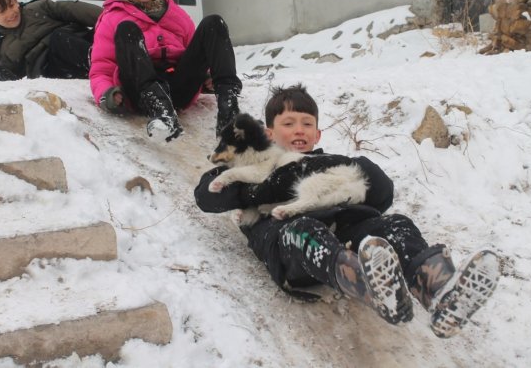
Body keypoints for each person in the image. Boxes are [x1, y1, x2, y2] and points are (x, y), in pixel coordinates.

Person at [194, 84, 500, 339]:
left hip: (346, 230)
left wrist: (351, 167)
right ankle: (370, 286)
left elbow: (381, 193)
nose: (299, 130)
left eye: (307, 123)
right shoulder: (253, 165)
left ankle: (440, 290)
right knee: (303, 231)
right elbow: (207, 196)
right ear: (269, 133)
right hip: (291, 243)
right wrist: (259, 191)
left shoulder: (327, 161)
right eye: (288, 124)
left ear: (318, 134)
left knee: (396, 225)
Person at [88, 0, 242, 142]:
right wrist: (107, 93)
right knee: (127, 29)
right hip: (140, 93)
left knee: (214, 23)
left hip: (178, 88)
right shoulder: (112, 18)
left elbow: (197, 53)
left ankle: (229, 112)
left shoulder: (175, 13)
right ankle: (161, 113)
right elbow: (100, 69)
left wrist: (206, 77)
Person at [0, 0, 102, 81]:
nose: (11, 13)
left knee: (104, 29)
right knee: (58, 39)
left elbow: (72, 9)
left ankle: (112, 56)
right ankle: (103, 66)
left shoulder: (39, 9)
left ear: (16, 0)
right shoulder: (3, 53)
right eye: (2, 11)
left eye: (11, 5)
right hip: (57, 66)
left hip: (79, 43)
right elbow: (7, 80)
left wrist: (108, 18)